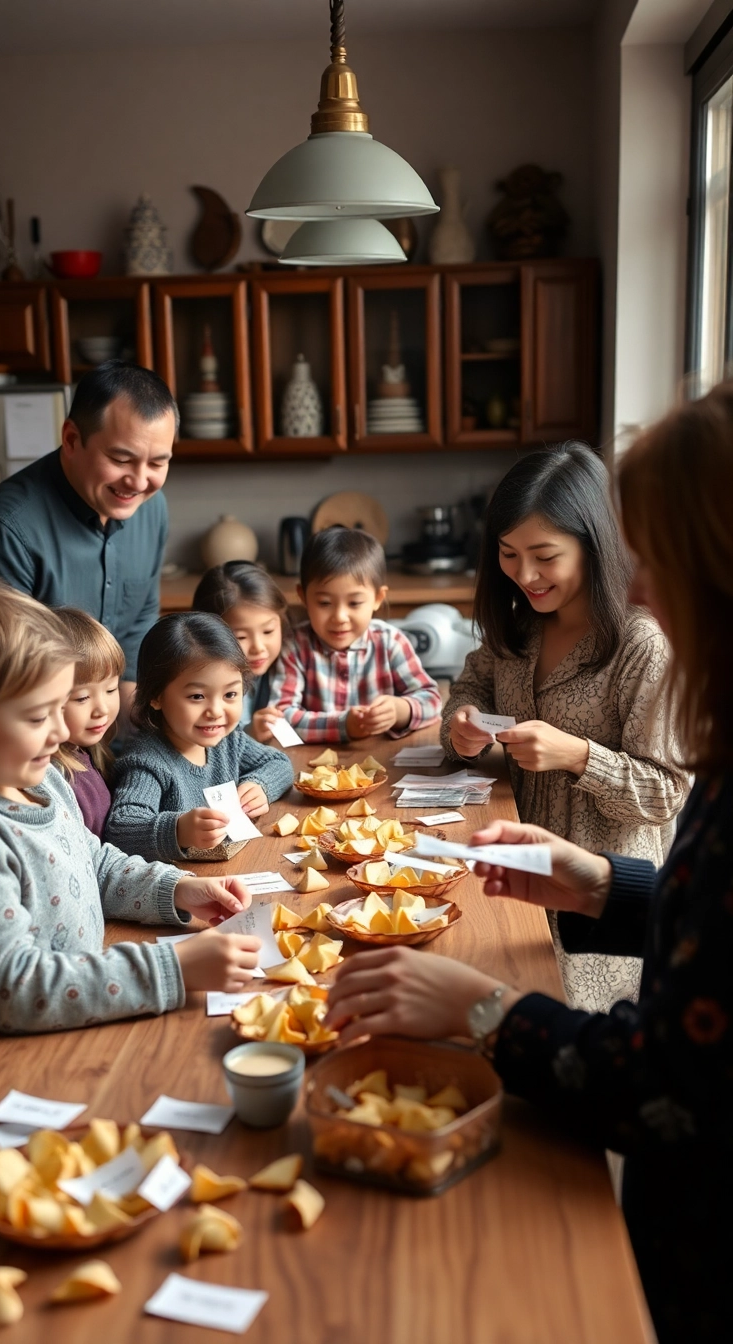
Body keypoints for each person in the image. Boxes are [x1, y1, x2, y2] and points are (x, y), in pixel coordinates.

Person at [326, 384, 733, 1344]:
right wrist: (598, 883)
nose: (638, 589)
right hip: (561, 899)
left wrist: (478, 1009)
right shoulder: (518, 630)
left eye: (658, 559)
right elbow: (700, 910)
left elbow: (665, 1084)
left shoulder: (639, 648)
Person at [441, 443, 688, 1011]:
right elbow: (471, 685)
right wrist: (461, 729)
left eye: (544, 555)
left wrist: (579, 756)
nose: (523, 574)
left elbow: (666, 794)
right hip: (516, 883)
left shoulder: (642, 644)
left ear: (594, 545)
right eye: (507, 554)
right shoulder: (520, 624)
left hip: (602, 916)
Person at [0, 574, 262, 1036]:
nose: (60, 732)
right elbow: (16, 989)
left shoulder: (45, 780)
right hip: (12, 1058)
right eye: (38, 716)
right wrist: (173, 967)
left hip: (87, 1018)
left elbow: (96, 864)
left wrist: (178, 889)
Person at [0, 360, 178, 720]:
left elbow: (136, 632)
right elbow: (4, 685)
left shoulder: (152, 509)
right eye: (121, 459)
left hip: (108, 732)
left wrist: (144, 732)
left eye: (158, 463)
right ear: (71, 439)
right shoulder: (2, 530)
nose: (140, 482)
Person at [106, 612, 294, 862]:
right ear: (156, 696)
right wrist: (179, 830)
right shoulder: (149, 762)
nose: (216, 712)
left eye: (230, 695)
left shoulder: (228, 741)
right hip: (183, 891)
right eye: (197, 696)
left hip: (236, 871)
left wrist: (260, 786)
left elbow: (279, 763)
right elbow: (120, 829)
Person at [269, 526, 441, 743]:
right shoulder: (294, 646)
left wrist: (400, 711)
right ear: (303, 596)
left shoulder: (390, 642)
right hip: (312, 767)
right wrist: (343, 725)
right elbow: (279, 719)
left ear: (378, 598)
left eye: (355, 603)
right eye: (324, 603)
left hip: (384, 760)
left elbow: (433, 701)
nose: (340, 616)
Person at [192, 561, 289, 744]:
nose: (258, 647)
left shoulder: (288, 665)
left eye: (268, 631)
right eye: (241, 637)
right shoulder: (200, 686)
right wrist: (249, 734)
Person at [51, 607, 125, 838]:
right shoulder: (55, 778)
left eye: (111, 689)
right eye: (82, 697)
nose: (102, 709)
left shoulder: (90, 753)